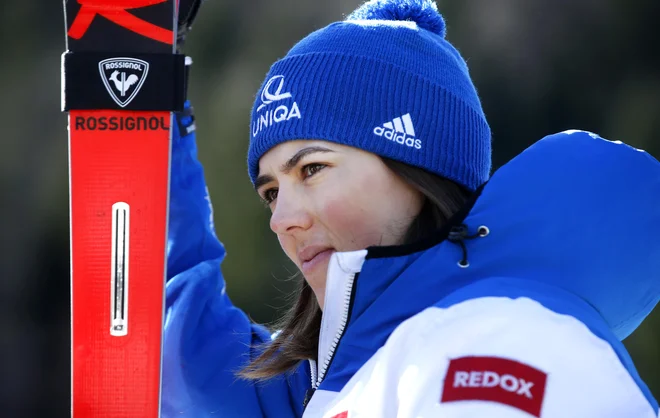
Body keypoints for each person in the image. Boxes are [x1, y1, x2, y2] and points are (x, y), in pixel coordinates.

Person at [161, 0, 660, 417]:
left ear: (416, 170)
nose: (280, 219)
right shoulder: (355, 369)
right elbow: (194, 358)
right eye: (271, 192)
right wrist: (142, 101)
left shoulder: (497, 339)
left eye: (311, 169)